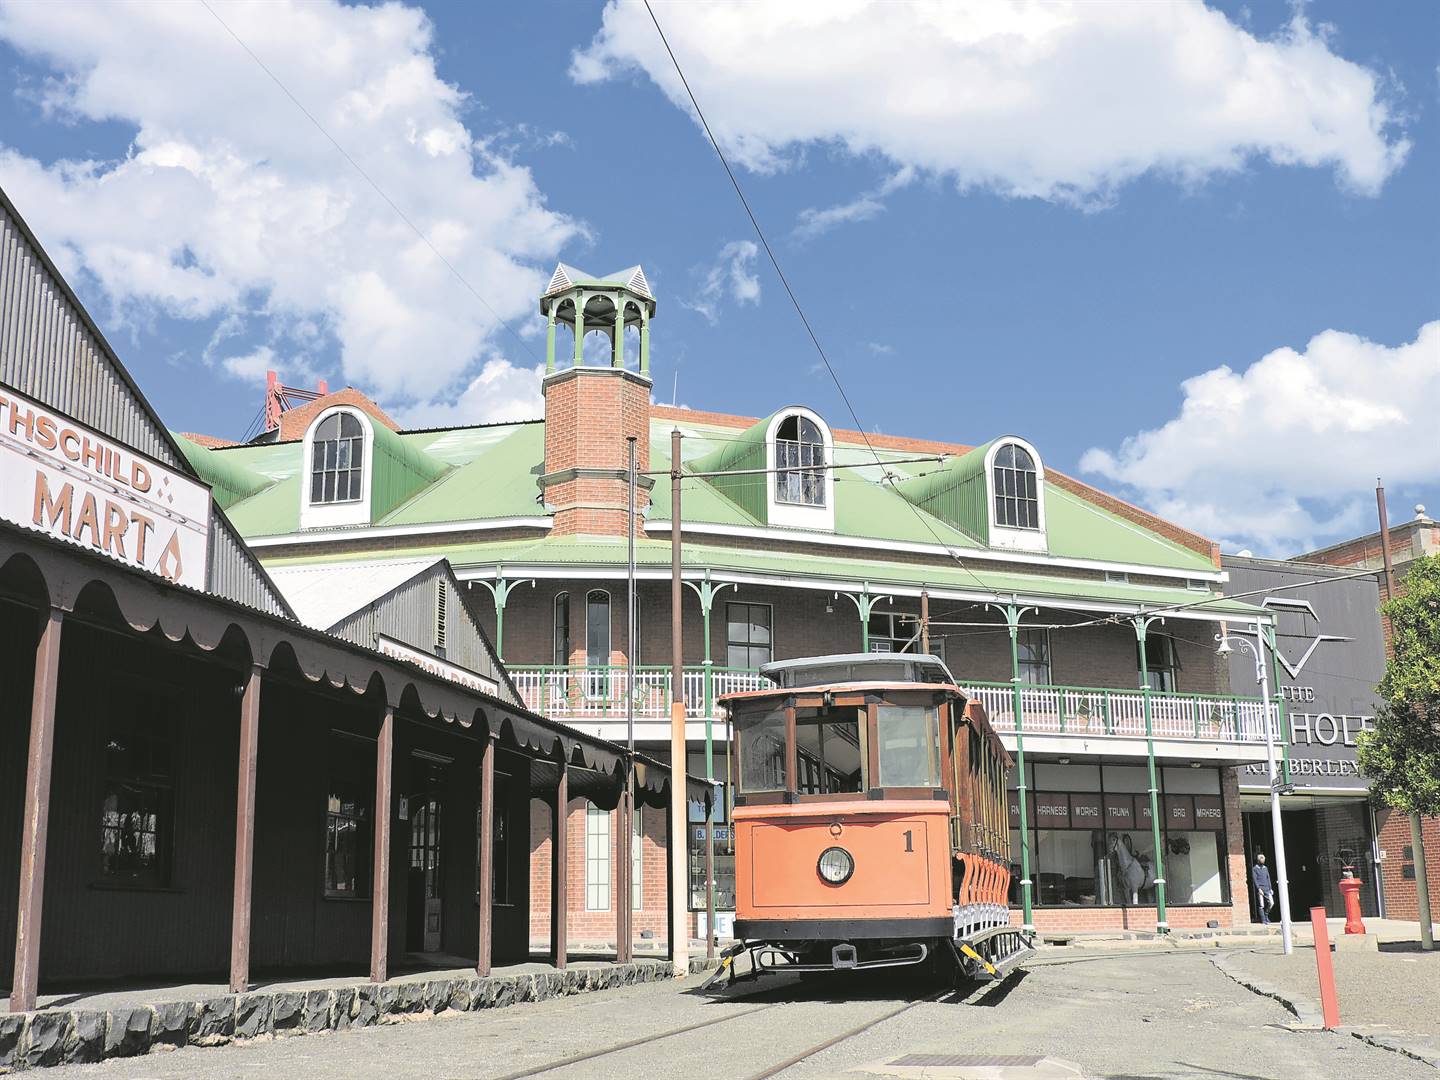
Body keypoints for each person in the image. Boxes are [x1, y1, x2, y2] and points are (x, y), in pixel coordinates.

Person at [1252, 852, 1275, 926]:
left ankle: (1266, 914)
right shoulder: (1255, 869)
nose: (1263, 861)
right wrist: (1258, 888)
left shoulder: (1265, 868)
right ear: (1258, 860)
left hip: (1267, 888)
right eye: (1261, 859)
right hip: (1260, 889)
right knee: (1261, 904)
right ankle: (1263, 919)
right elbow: (1255, 879)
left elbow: (1268, 878)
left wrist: (1270, 888)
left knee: (1271, 903)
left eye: (1263, 859)